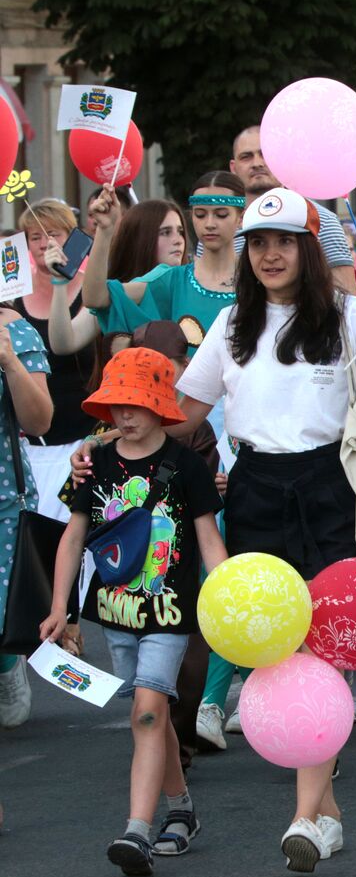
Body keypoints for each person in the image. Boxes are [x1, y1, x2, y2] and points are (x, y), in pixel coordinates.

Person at [166, 186, 356, 870]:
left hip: (329, 482)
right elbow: (184, 412)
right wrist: (109, 435)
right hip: (255, 485)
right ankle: (322, 813)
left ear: (307, 249)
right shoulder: (231, 323)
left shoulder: (347, 314)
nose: (271, 254)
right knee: (274, 641)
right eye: (259, 243)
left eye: (284, 242)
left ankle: (306, 812)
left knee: (320, 645)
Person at [38, 347, 225, 876]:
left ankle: (135, 832)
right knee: (152, 711)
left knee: (146, 709)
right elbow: (73, 536)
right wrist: (60, 609)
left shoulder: (187, 464)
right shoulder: (92, 459)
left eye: (137, 404)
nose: (125, 414)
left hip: (171, 614)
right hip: (114, 613)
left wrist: (228, 600)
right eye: (116, 403)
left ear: (162, 406)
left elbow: (210, 541)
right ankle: (182, 809)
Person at [54, 175, 244, 354]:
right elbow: (96, 298)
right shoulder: (171, 279)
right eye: (201, 214)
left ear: (240, 218)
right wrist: (105, 230)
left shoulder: (257, 279)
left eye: (221, 214)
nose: (209, 223)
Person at [8, 199, 96, 521]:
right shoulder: (13, 300)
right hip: (30, 445)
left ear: (72, 239)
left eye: (54, 234)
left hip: (84, 440)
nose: (45, 243)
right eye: (35, 237)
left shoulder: (90, 291)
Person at [0, 307, 54, 729]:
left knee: (3, 611)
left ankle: (6, 666)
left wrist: (8, 360)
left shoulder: (13, 329)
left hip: (3, 498)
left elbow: (39, 420)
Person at [228, 125, 356, 292]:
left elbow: (348, 299)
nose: (257, 163)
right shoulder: (220, 226)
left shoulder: (322, 219)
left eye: (265, 155)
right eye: (246, 157)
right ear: (233, 167)